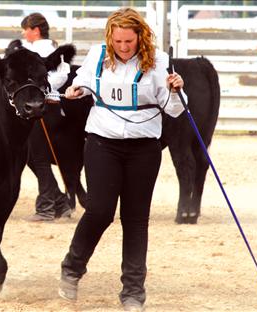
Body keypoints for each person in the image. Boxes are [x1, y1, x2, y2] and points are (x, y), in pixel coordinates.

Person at [57, 8, 186, 311]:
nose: (124, 47)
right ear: (110, 38)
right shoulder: (98, 54)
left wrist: (177, 90)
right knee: (100, 211)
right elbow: (85, 82)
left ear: (139, 37)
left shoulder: (158, 62)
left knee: (136, 220)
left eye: (129, 41)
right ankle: (72, 269)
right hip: (103, 142)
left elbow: (175, 110)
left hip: (144, 147)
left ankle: (133, 292)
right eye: (118, 41)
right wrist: (78, 89)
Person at [21, 13, 73, 222]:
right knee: (33, 157)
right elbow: (63, 74)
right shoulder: (51, 50)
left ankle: (46, 207)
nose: (24, 34)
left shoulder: (38, 51)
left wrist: (39, 89)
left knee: (38, 158)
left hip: (41, 108)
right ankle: (59, 201)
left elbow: (59, 75)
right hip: (46, 107)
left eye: (26, 29)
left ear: (35, 30)